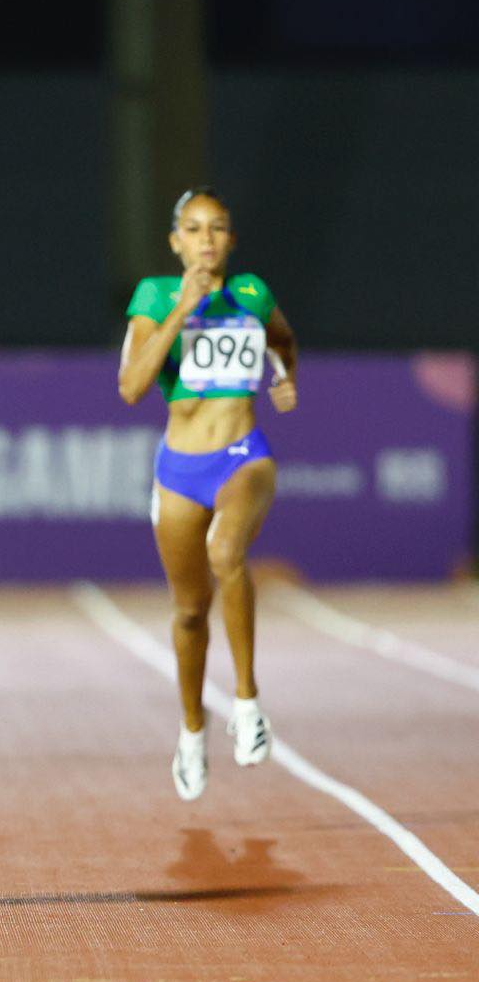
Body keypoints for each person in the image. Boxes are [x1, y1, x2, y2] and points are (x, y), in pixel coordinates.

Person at [117, 187, 298, 801]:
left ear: (231, 239)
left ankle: (247, 705)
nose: (206, 240)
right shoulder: (155, 296)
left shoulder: (252, 293)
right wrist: (182, 311)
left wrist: (285, 378)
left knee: (228, 553)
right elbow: (132, 387)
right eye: (194, 230)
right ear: (175, 242)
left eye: (218, 228)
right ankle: (193, 730)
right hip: (179, 470)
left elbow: (284, 340)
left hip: (244, 456)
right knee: (191, 611)